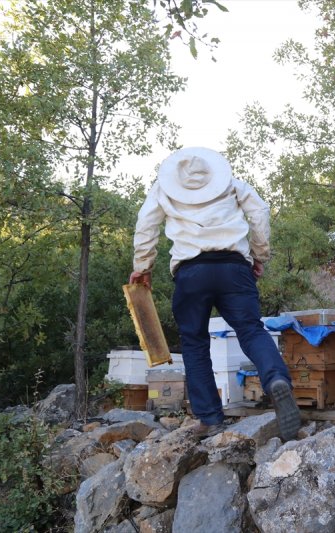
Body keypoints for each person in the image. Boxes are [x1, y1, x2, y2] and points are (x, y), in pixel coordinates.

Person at [128, 146, 301, 441]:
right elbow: (259, 211)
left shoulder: (163, 190)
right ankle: (276, 381)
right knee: (250, 330)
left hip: (191, 274)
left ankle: (210, 418)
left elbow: (146, 224)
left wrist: (142, 266)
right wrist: (259, 255)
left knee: (194, 343)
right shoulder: (232, 184)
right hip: (234, 269)